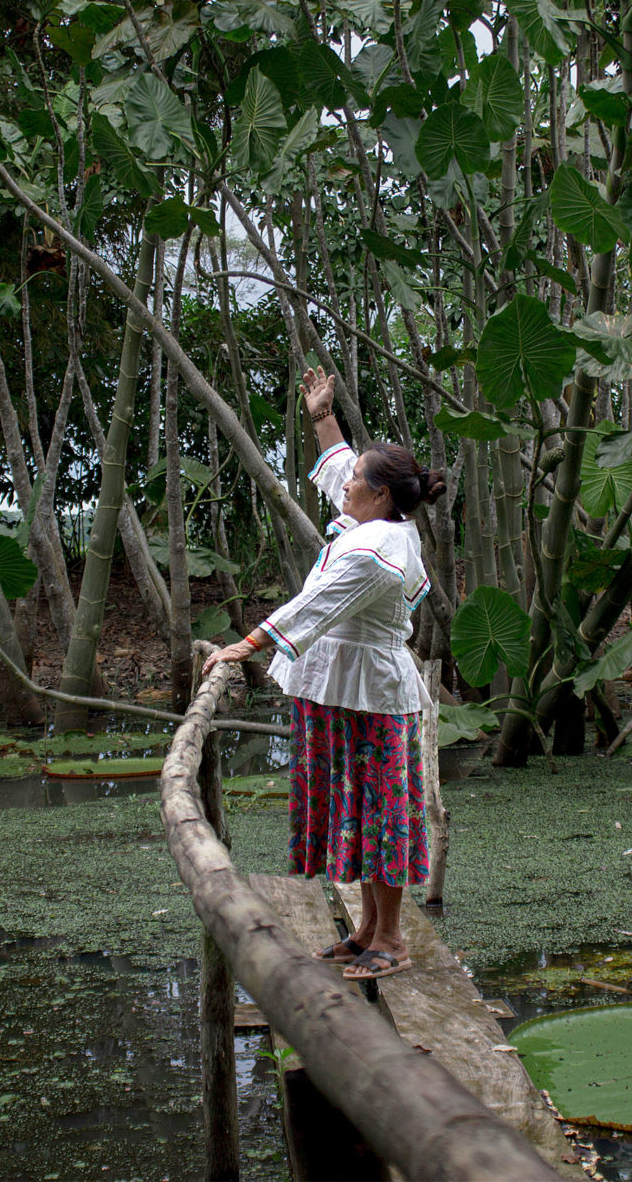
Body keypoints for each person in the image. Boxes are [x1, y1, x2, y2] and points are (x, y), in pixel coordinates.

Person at [203, 367, 445, 981]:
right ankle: (365, 929)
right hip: (336, 683)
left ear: (382, 495)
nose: (347, 486)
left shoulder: (381, 550)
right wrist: (321, 414)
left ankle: (391, 938)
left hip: (373, 689)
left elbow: (318, 605)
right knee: (354, 804)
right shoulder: (371, 518)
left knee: (381, 809)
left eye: (360, 481)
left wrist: (248, 645)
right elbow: (342, 469)